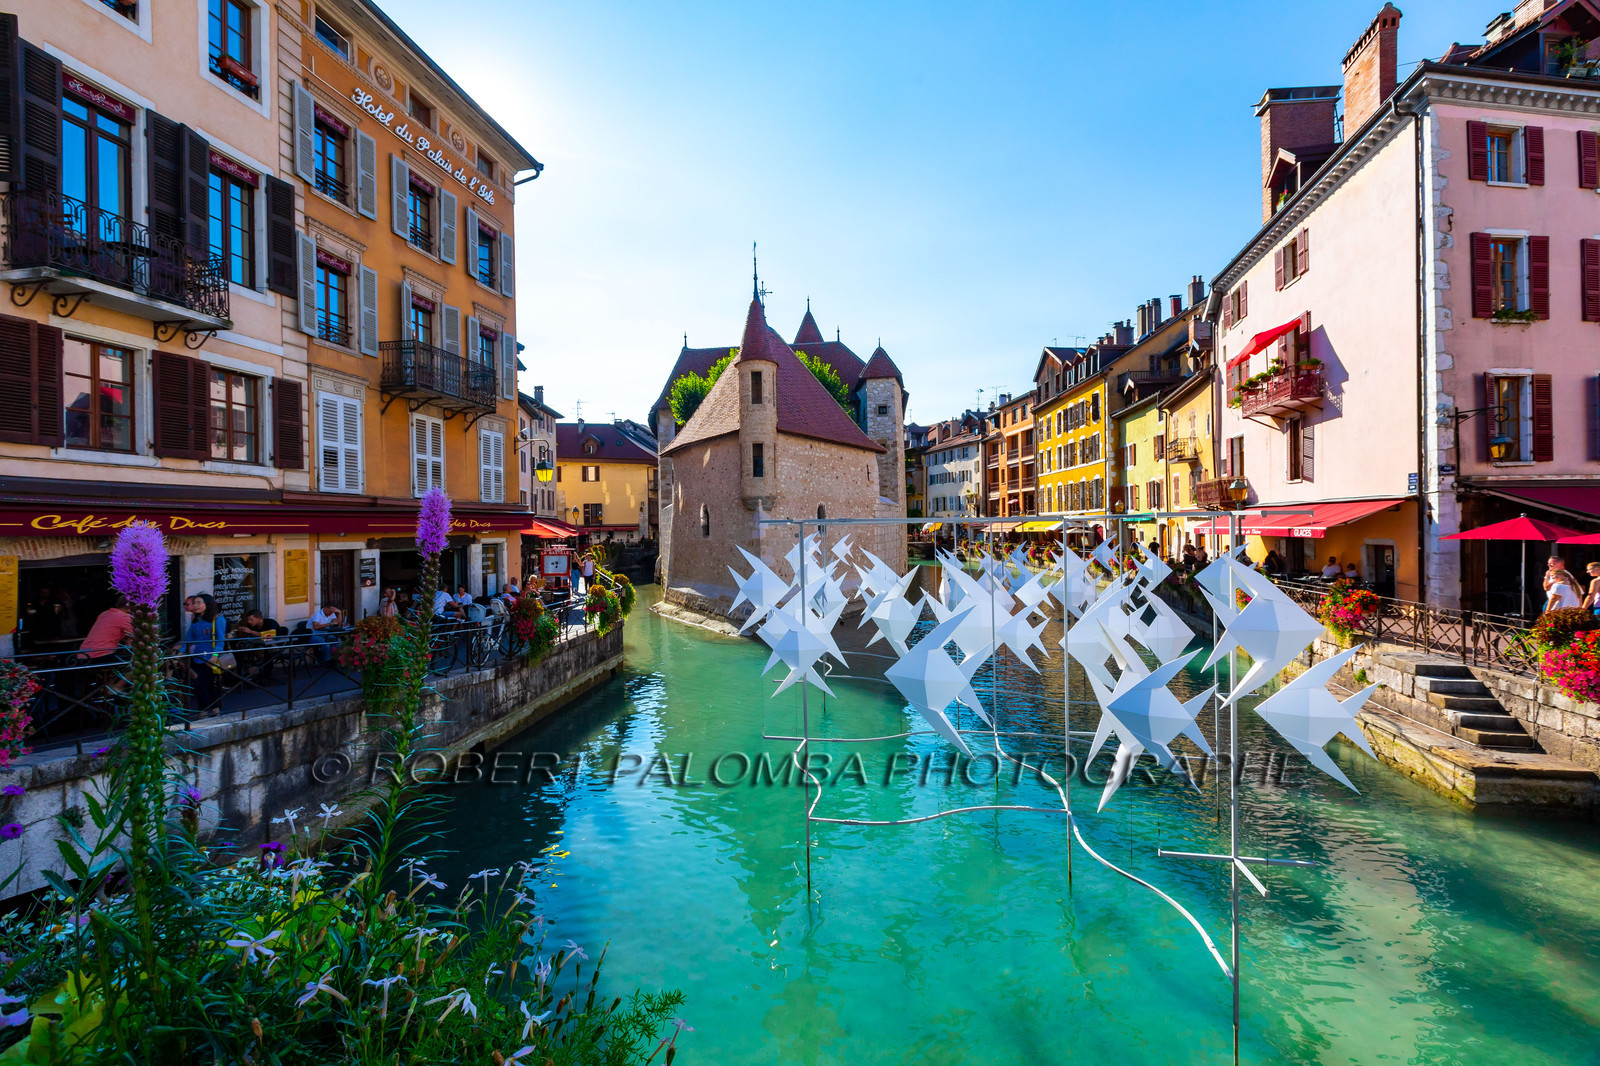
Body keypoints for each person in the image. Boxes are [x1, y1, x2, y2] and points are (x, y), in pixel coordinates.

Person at [179, 593, 227, 714]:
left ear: (208, 604)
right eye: (194, 603)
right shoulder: (196, 621)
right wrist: (180, 653)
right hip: (197, 657)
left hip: (210, 658)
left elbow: (220, 641)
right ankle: (215, 709)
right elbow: (189, 639)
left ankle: (203, 711)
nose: (195, 605)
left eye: (199, 603)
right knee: (208, 684)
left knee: (199, 684)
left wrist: (214, 656)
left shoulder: (218, 619)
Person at [77, 593, 134, 660]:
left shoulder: (104, 613)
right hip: (99, 655)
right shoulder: (124, 617)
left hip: (82, 655)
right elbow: (141, 634)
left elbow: (110, 631)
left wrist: (128, 638)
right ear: (131, 607)